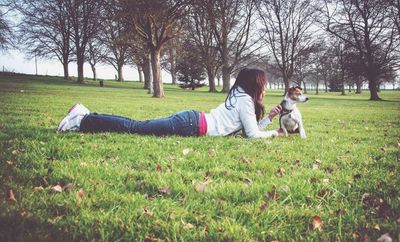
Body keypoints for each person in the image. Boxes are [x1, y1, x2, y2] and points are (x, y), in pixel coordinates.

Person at [57, 68, 283, 138]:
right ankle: (83, 119)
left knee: (138, 126)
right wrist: (274, 133)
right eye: (263, 84)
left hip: (192, 121)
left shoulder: (242, 99)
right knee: (137, 128)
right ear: (255, 85)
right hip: (191, 124)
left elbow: (248, 132)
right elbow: (253, 136)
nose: (264, 88)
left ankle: (86, 116)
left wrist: (270, 119)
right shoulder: (244, 101)